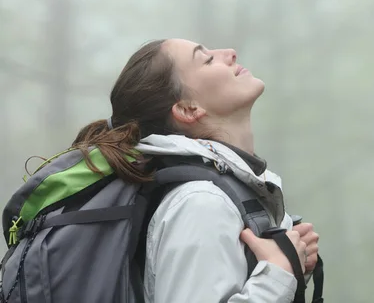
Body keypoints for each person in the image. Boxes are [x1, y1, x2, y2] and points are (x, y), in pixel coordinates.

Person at [71, 39, 320, 303]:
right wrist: (278, 275)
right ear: (188, 109)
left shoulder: (221, 192)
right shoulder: (201, 204)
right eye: (207, 59)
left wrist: (292, 262)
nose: (230, 53)